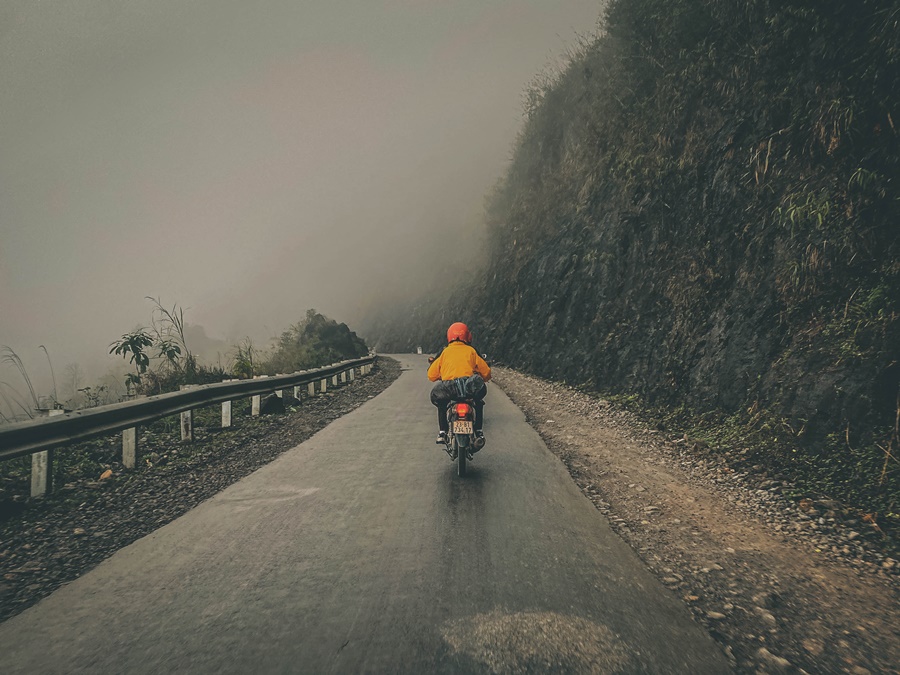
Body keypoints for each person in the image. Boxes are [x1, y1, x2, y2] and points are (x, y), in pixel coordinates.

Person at [427, 322, 491, 445]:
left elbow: (431, 375)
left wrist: (441, 376)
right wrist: (484, 377)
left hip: (449, 389)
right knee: (478, 403)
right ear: (467, 336)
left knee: (442, 404)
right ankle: (478, 431)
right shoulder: (471, 351)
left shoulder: (445, 352)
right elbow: (486, 372)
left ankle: (442, 433)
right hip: (469, 389)